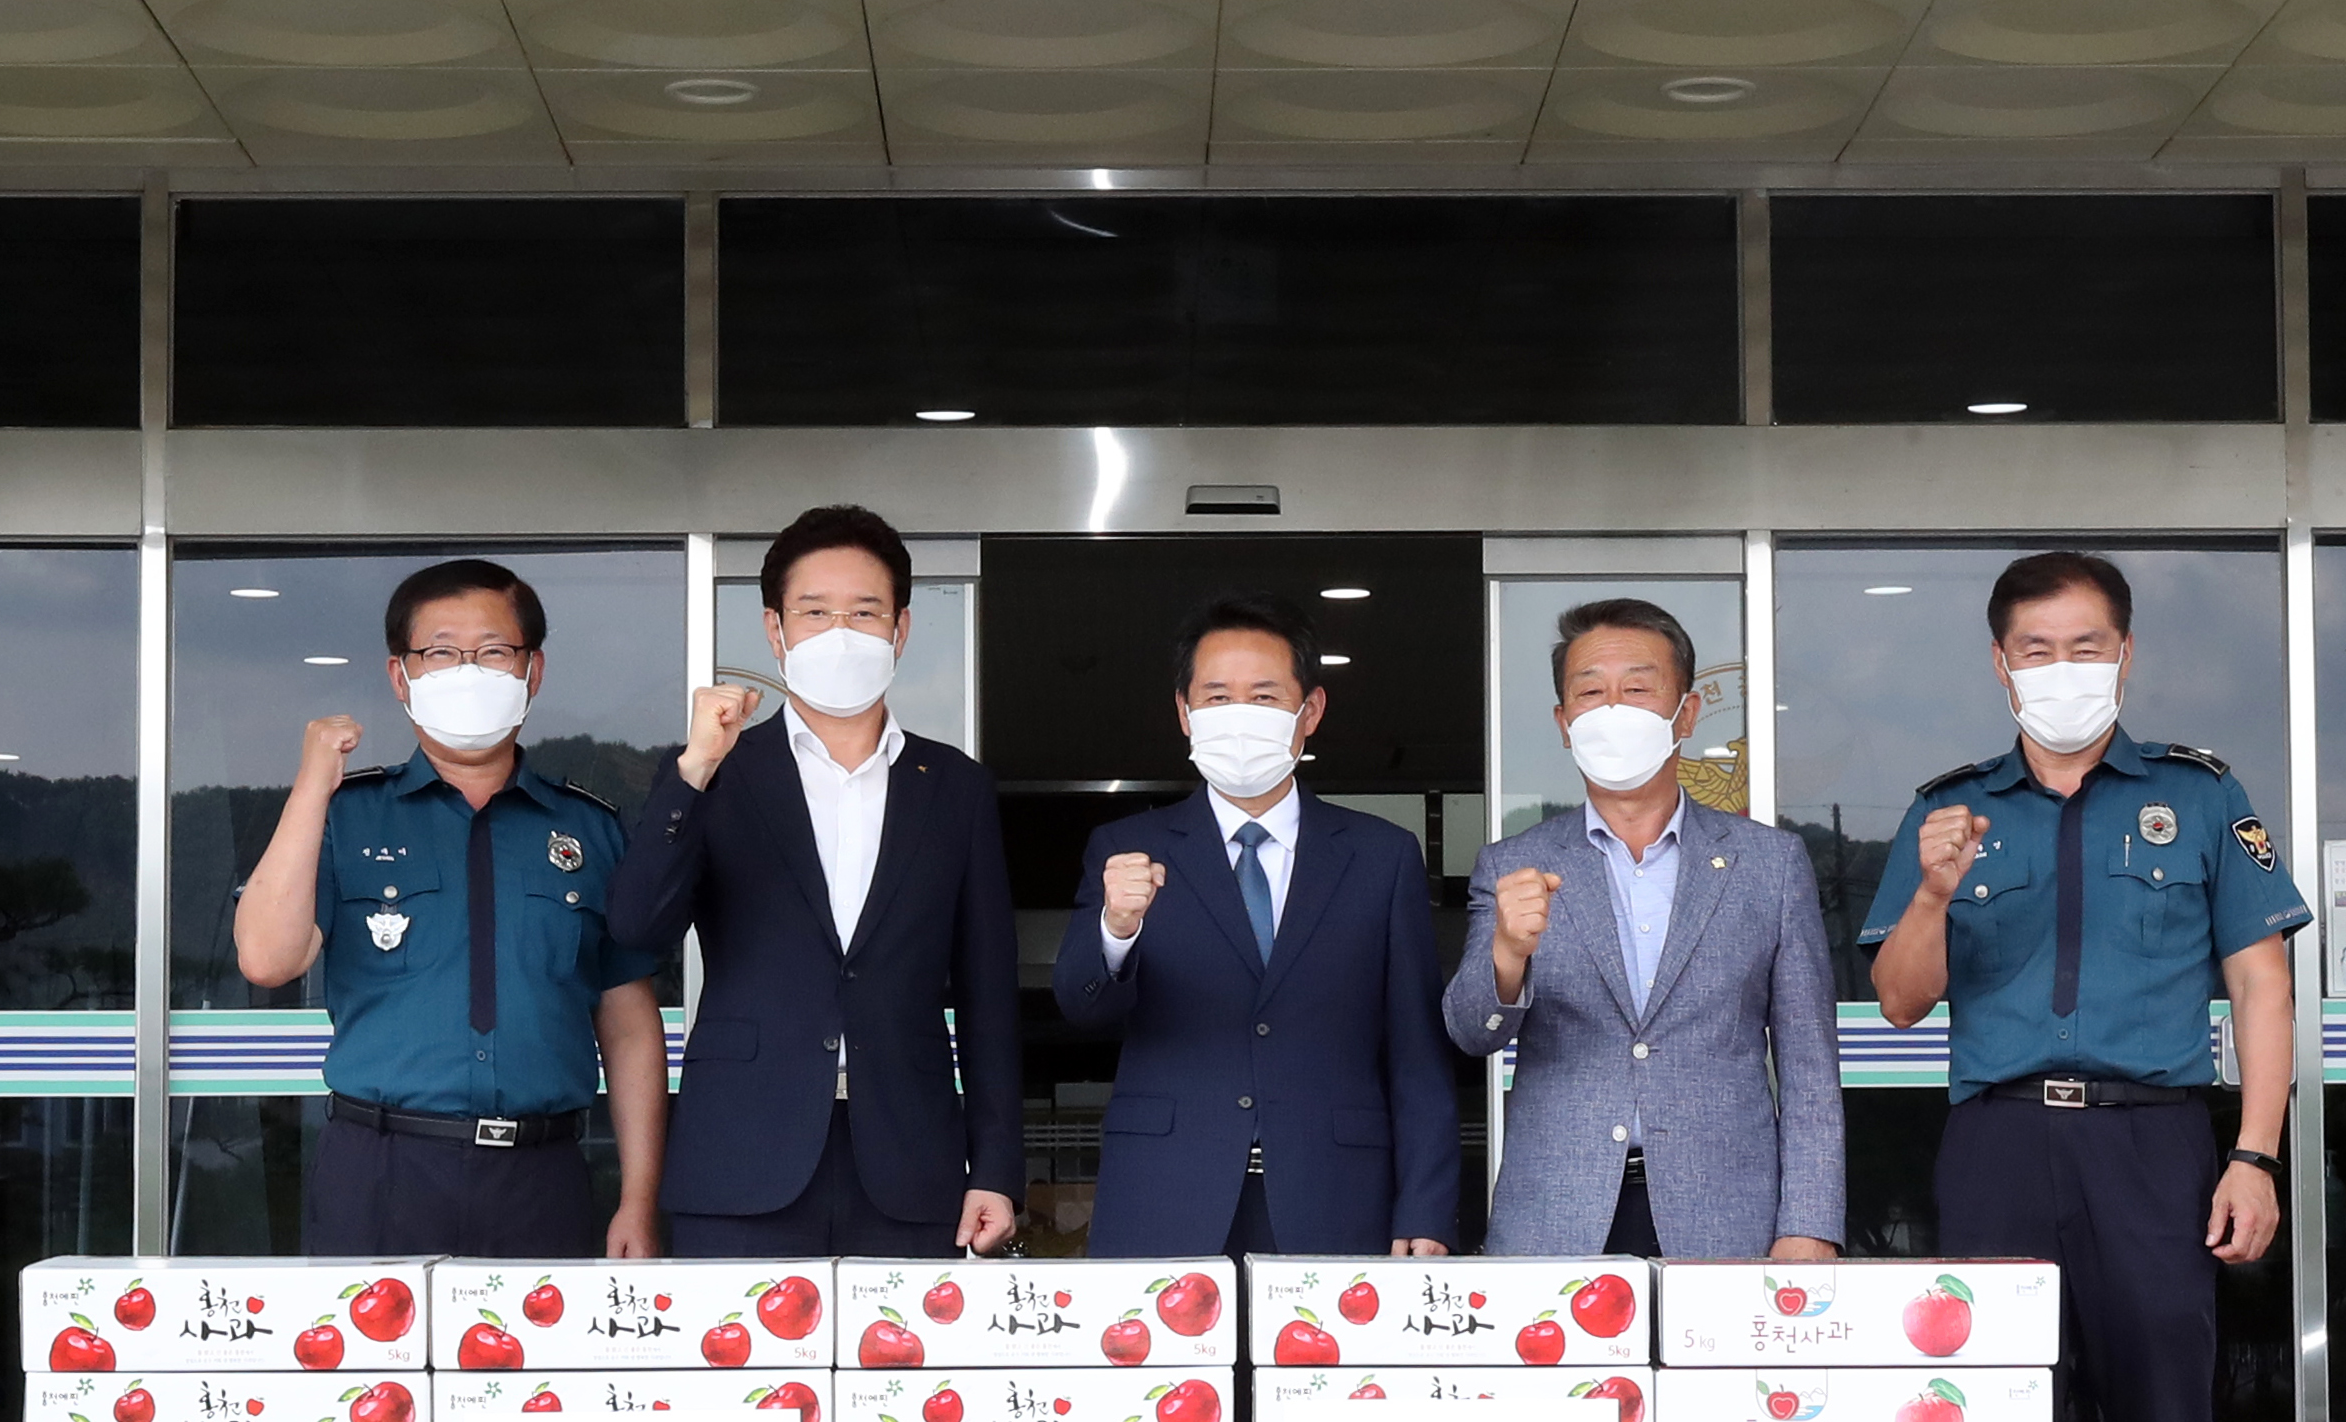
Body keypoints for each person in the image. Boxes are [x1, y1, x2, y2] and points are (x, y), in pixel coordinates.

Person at [1863, 549, 2309, 1422]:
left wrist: (2255, 1153)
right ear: (2000, 665)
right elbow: (1899, 997)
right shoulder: (1947, 810)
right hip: (1997, 1148)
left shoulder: (2199, 796)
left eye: (2087, 646)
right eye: (2037, 650)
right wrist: (1936, 888)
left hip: (2153, 1148)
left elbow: (2261, 984)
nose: (2064, 670)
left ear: (2125, 652)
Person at [607, 504, 1022, 1256]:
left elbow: (988, 990)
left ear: (900, 629)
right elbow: (636, 929)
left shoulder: (955, 787)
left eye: (864, 612)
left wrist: (995, 1166)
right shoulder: (717, 771)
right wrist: (693, 773)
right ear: (775, 630)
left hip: (909, 1159)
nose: (840, 632)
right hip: (740, 1155)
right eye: (815, 611)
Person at [232, 556, 670, 1258]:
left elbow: (628, 1027)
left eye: (494, 651)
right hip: (380, 1169)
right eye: (439, 653)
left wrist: (639, 1197)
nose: (468, 671)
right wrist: (312, 785)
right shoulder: (345, 814)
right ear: (399, 675)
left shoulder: (588, 829)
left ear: (533, 670)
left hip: (542, 1175)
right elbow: (266, 960)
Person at [1051, 595, 1459, 1258]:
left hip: (1336, 1196)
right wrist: (1116, 926)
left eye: (1264, 697)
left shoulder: (1381, 856)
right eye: (1216, 697)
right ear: (1184, 712)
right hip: (1164, 1192)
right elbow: (1081, 1006)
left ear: (1310, 711)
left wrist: (1427, 1207)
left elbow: (1415, 1050)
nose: (1238, 714)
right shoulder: (1126, 847)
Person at [1443, 597, 1844, 1260]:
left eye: (1636, 689)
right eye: (1589, 692)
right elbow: (1469, 1031)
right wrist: (1507, 953)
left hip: (1726, 1215)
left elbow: (1809, 1063)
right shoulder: (1513, 863)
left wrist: (1809, 1222)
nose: (1612, 710)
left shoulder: (1769, 863)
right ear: (1564, 722)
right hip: (1556, 1215)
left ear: (1685, 713)